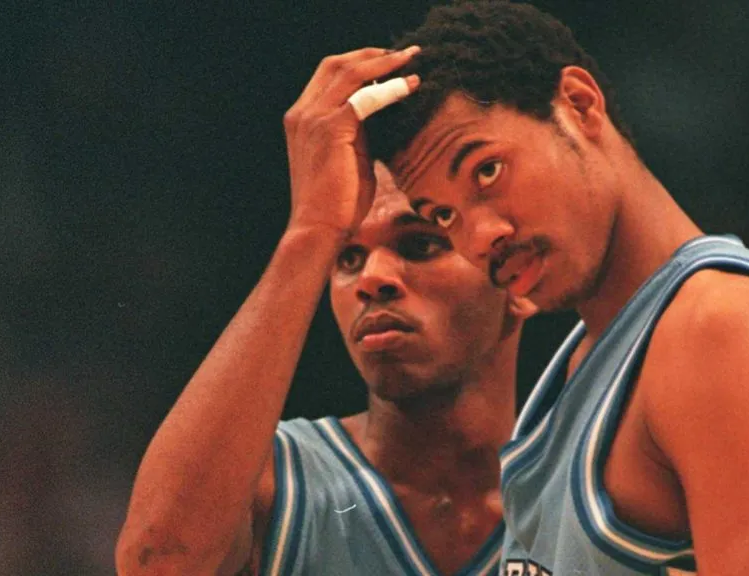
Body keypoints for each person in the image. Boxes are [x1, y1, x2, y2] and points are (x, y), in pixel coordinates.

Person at [364, 2, 749, 575]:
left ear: (579, 104)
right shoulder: (590, 358)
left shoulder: (722, 332)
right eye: (444, 217)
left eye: (487, 171)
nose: (483, 236)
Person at [116, 46, 535, 575]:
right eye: (347, 256)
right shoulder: (276, 480)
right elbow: (154, 565)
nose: (373, 279)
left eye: (420, 245)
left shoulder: (588, 489)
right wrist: (311, 229)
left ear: (518, 281)